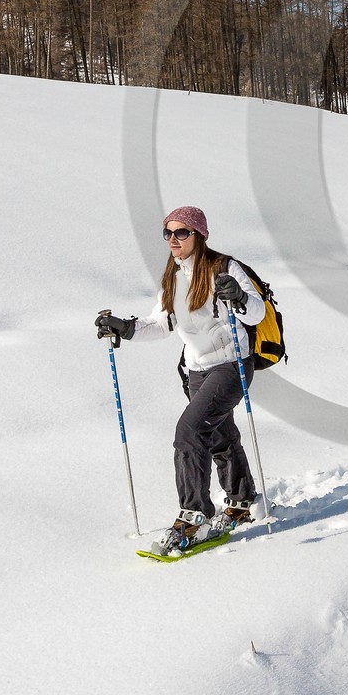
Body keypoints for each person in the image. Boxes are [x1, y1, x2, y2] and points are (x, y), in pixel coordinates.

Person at [95, 205, 266, 553]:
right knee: (218, 434)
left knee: (189, 431)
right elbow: (162, 324)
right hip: (196, 370)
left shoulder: (224, 267)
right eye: (168, 233)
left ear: (199, 235)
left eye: (181, 232)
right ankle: (242, 501)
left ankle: (195, 516)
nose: (173, 239)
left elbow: (258, 310)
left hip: (232, 365)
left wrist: (238, 296)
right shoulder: (172, 276)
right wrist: (125, 329)